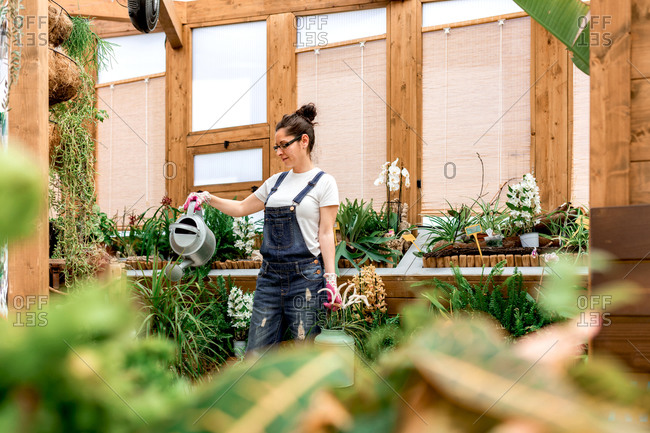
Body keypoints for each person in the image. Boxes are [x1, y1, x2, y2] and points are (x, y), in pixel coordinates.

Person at [182, 103, 340, 355]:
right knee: (256, 354)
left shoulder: (324, 183)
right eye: (276, 146)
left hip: (306, 280)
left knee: (304, 356)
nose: (278, 152)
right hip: (269, 279)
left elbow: (326, 233)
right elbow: (241, 208)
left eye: (283, 145)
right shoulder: (275, 183)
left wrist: (331, 281)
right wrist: (207, 197)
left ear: (304, 141)